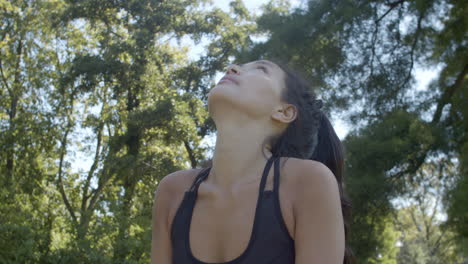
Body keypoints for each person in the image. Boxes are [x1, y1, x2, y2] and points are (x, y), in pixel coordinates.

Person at [151, 59, 355, 264]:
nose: (232, 68)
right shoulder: (173, 191)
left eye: (260, 68)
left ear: (284, 112)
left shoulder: (308, 182)